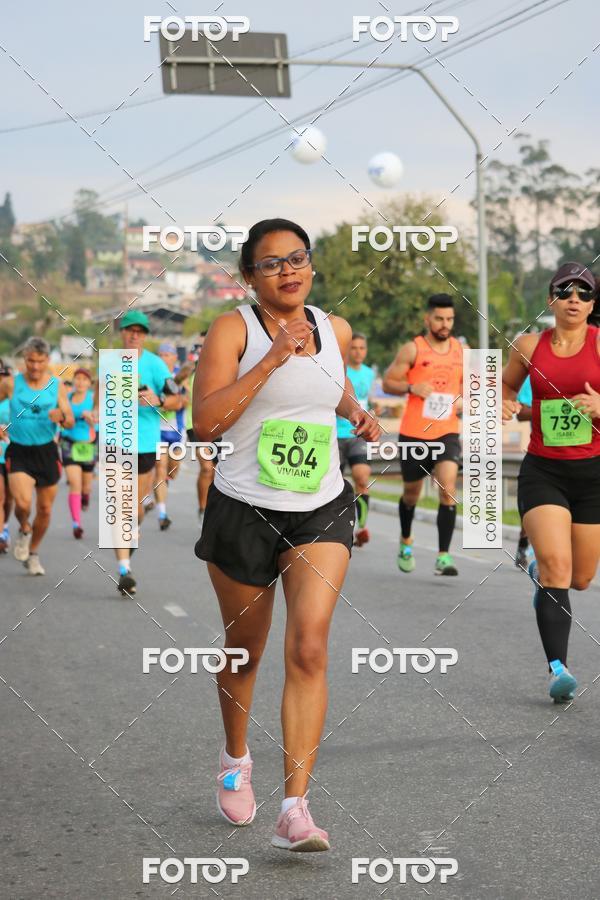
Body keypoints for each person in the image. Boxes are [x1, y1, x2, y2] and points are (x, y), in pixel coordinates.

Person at [193, 219, 380, 851]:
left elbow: (331, 388)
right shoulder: (233, 329)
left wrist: (353, 410)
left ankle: (295, 808)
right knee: (245, 651)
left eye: (297, 258)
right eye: (272, 264)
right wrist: (272, 359)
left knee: (308, 647)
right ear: (250, 276)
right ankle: (234, 757)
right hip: (244, 505)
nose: (288, 271)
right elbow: (205, 423)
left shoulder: (335, 328)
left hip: (320, 506)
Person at [502, 262, 600, 703]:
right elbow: (502, 389)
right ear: (551, 299)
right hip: (543, 471)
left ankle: (545, 575)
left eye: (584, 292)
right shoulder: (527, 346)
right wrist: (503, 404)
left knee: (579, 578)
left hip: (594, 475)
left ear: (593, 303)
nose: (574, 298)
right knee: (559, 568)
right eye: (566, 291)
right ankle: (558, 669)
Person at [383, 294, 463, 576]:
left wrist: (464, 401)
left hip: (447, 432)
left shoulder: (461, 352)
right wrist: (410, 388)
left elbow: (472, 389)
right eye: (439, 318)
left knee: (447, 488)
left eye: (450, 319)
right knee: (411, 494)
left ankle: (444, 556)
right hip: (414, 435)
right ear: (427, 319)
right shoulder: (412, 349)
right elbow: (388, 381)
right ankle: (406, 540)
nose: (445, 324)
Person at [108, 311, 184, 595]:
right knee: (119, 506)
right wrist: (94, 412)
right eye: (130, 330)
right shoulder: (110, 363)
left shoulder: (155, 366)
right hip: (115, 444)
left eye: (140, 331)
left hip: (144, 445)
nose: (134, 335)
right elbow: (100, 396)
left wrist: (160, 399)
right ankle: (124, 570)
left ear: (145, 335)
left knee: (134, 509)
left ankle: (132, 531)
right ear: (123, 333)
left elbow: (178, 399)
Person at [0, 337, 74, 575]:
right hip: (19, 450)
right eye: (30, 361)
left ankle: (33, 553)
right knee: (22, 503)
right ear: (25, 359)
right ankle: (23, 526)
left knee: (45, 510)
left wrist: (61, 417)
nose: (35, 367)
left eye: (40, 362)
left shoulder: (56, 385)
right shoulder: (11, 383)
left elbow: (70, 419)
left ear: (47, 361)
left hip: (46, 451)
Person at [336, 333, 376, 547]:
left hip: (358, 434)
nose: (358, 352)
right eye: (354, 348)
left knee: (362, 478)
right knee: (337, 485)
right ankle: (341, 527)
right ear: (348, 351)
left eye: (362, 348)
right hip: (335, 434)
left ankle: (362, 527)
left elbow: (369, 402)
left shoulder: (369, 373)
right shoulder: (341, 371)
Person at [153, 341, 188, 531]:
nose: (164, 358)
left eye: (168, 355)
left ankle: (161, 485)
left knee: (172, 471)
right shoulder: (154, 374)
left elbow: (189, 400)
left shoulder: (180, 376)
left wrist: (178, 400)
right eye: (161, 355)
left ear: (175, 357)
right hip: (156, 429)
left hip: (176, 430)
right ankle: (162, 513)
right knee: (160, 467)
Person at [59, 367, 97, 540]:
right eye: (78, 378)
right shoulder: (66, 398)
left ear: (89, 383)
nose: (80, 382)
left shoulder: (93, 399)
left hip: (89, 444)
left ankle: (86, 496)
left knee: (86, 486)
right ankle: (76, 524)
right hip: (69, 443)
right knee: (75, 483)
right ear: (73, 381)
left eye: (84, 379)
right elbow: (58, 417)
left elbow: (100, 417)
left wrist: (92, 418)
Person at [514, 375, 533, 569]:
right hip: (542, 456)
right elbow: (521, 413)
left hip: (585, 459)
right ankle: (523, 542)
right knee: (531, 510)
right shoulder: (534, 375)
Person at [0, 359, 13, 553]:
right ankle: (1, 532)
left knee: (10, 499)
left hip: (12, 454)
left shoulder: (14, 399)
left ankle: (5, 524)